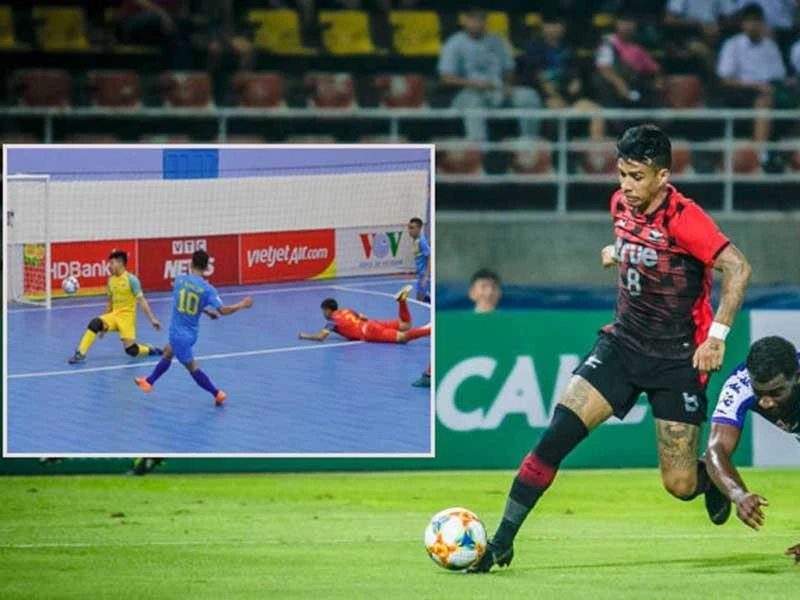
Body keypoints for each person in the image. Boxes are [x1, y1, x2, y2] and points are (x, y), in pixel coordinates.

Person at [469, 124, 752, 573]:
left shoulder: (685, 218)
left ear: (662, 176)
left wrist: (716, 337)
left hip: (677, 359)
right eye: (622, 174)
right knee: (554, 438)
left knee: (679, 485)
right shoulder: (620, 204)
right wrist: (618, 250)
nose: (626, 185)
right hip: (621, 345)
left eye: (637, 176)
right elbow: (643, 245)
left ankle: (709, 480)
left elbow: (737, 267)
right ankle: (501, 542)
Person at [705, 335, 800, 563]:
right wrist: (739, 494)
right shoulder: (740, 383)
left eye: (776, 393)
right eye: (760, 394)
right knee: (682, 482)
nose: (766, 403)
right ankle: (713, 480)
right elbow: (716, 448)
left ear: (797, 378)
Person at [134, 250, 253, 405]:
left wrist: (241, 305)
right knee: (168, 352)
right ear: (206, 268)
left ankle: (217, 393)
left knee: (192, 368)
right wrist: (241, 304)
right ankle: (149, 381)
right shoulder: (208, 289)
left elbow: (185, 301)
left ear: (190, 264)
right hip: (190, 333)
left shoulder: (179, 281)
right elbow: (223, 310)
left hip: (178, 333)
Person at [438, 8, 542, 140]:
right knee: (474, 102)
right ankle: (478, 145)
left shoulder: (497, 40)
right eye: (473, 20)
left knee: (528, 96)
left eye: (480, 20)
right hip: (467, 93)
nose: (477, 24)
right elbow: (446, 78)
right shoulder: (454, 42)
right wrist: (475, 84)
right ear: (464, 21)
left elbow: (508, 68)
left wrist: (507, 84)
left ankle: (529, 142)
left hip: (497, 90)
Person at [716, 2, 792, 170]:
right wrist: (756, 86)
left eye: (757, 21)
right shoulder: (733, 45)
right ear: (743, 24)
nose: (754, 25)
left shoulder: (770, 45)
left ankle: (788, 154)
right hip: (742, 91)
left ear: (763, 23)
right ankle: (761, 155)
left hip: (770, 89)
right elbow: (725, 80)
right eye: (750, 21)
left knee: (787, 98)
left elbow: (779, 76)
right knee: (764, 99)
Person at [520, 12, 605, 139]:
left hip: (570, 97)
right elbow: (537, 78)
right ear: (542, 27)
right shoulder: (533, 49)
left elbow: (577, 77)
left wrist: (576, 82)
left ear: (563, 28)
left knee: (596, 111)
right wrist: (551, 96)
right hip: (545, 98)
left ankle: (596, 147)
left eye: (557, 25)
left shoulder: (570, 49)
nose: (554, 29)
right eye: (550, 25)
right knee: (558, 111)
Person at [68, 251, 162, 364]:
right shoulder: (111, 280)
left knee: (131, 350)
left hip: (127, 318)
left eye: (112, 263)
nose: (109, 266)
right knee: (95, 323)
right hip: (114, 315)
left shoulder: (132, 280)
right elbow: (110, 303)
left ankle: (149, 349)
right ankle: (80, 353)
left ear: (120, 263)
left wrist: (152, 319)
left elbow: (142, 301)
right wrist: (103, 325)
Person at [299, 285, 430, 343]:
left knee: (403, 338)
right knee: (406, 324)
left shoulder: (332, 321)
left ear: (328, 310)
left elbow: (321, 337)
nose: (323, 314)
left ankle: (431, 331)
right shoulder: (347, 310)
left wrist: (305, 336)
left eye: (323, 311)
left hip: (369, 331)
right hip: (371, 323)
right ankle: (402, 301)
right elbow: (363, 317)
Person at [594, 8, 665, 108]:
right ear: (617, 23)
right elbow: (604, 68)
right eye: (623, 22)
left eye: (630, 22)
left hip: (635, 88)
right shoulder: (608, 42)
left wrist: (658, 80)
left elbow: (654, 69)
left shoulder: (639, 45)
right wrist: (620, 84)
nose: (627, 26)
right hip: (612, 90)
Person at [408, 217, 431, 303]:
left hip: (425, 275)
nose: (409, 230)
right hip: (421, 275)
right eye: (409, 228)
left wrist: (426, 276)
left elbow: (430, 257)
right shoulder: (416, 241)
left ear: (418, 228)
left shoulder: (421, 241)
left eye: (412, 228)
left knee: (420, 299)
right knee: (419, 299)